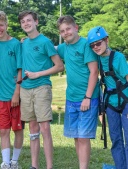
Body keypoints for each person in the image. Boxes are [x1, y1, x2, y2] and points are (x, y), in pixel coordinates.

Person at [18, 10, 64, 169]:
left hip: (42, 87)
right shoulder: (23, 43)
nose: (26, 24)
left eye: (29, 20)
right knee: (32, 128)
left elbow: (59, 66)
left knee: (44, 128)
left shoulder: (45, 42)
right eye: (23, 22)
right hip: (25, 89)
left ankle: (49, 166)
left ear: (36, 21)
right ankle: (34, 165)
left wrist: (38, 74)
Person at [56, 15, 99, 169]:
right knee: (75, 136)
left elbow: (94, 72)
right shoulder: (63, 47)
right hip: (71, 98)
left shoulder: (86, 45)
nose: (66, 33)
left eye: (68, 29)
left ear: (76, 27)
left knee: (83, 137)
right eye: (62, 31)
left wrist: (87, 97)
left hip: (87, 98)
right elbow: (51, 50)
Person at [88, 26, 128, 169]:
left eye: (98, 43)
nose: (95, 47)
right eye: (92, 45)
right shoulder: (96, 60)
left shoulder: (118, 58)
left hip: (125, 101)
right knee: (116, 139)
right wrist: (101, 110)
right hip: (109, 104)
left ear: (107, 40)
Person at [0, 11, 23, 169]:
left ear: (6, 25)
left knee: (17, 129)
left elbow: (20, 69)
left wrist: (17, 92)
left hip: (15, 95)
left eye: (1, 25)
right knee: (3, 130)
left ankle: (15, 161)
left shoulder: (15, 44)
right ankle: (6, 162)